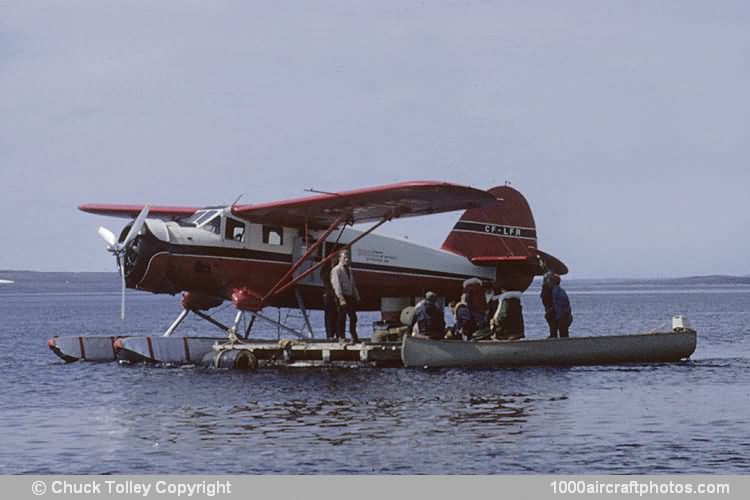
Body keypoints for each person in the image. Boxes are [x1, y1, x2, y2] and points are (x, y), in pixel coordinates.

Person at [330, 249, 360, 342]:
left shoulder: (349, 270)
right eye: (345, 257)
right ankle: (341, 337)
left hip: (350, 296)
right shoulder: (336, 270)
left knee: (353, 318)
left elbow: (353, 284)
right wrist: (341, 298)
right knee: (341, 317)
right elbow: (336, 285)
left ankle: (353, 336)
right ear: (340, 258)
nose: (347, 259)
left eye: (348, 258)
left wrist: (357, 295)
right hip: (342, 296)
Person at [320, 258, 337, 340]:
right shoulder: (326, 269)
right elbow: (325, 280)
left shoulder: (338, 268)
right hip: (329, 294)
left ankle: (337, 334)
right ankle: (330, 335)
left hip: (335, 294)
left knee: (337, 315)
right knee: (329, 315)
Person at [540, 271, 557, 338]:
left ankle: (553, 334)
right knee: (550, 319)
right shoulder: (547, 287)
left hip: (550, 306)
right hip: (548, 305)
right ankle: (553, 334)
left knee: (551, 318)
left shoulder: (550, 288)